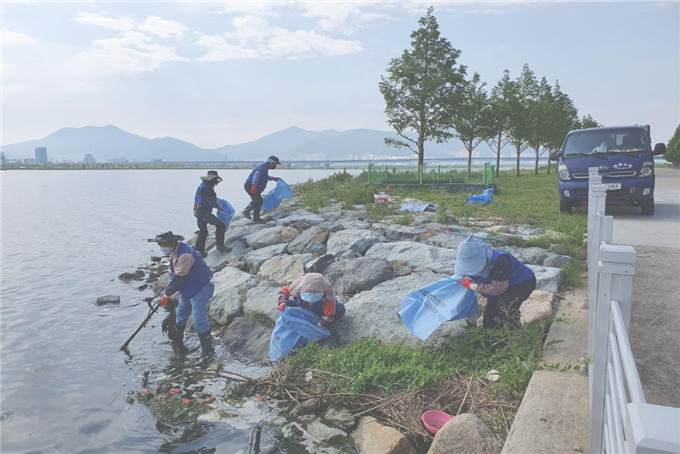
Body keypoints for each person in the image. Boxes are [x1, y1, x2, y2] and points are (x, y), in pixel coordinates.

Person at [148, 231, 215, 355]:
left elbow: (179, 277)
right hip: (187, 288)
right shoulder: (174, 252)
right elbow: (175, 275)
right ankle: (178, 341)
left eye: (163, 244)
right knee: (180, 315)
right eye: (160, 245)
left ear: (172, 242)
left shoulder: (185, 254)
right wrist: (167, 291)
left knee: (199, 320)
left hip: (199, 287)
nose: (162, 247)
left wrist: (167, 295)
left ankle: (208, 351)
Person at [454, 235, 536, 329]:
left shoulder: (500, 260)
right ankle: (492, 338)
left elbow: (498, 289)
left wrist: (472, 286)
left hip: (521, 283)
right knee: (490, 317)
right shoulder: (469, 259)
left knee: (505, 306)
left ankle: (515, 333)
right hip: (496, 283)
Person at [277, 273, 345, 327]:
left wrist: (319, 326)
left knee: (339, 309)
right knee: (286, 305)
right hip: (302, 306)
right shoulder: (297, 286)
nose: (309, 301)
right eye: (307, 296)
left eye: (314, 297)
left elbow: (328, 316)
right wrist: (282, 302)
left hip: (320, 312)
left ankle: (325, 324)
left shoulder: (328, 298)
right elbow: (284, 292)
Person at [194, 170, 231, 257]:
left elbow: (208, 197)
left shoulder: (205, 186)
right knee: (220, 225)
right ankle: (220, 246)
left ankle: (200, 250)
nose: (215, 182)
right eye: (214, 180)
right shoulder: (206, 187)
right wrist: (218, 207)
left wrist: (216, 200)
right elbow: (209, 199)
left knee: (203, 230)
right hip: (203, 211)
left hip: (198, 210)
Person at [242, 156, 281, 223]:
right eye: (275, 164)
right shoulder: (263, 168)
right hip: (250, 186)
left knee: (258, 201)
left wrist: (272, 178)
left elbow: (264, 177)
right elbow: (256, 175)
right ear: (271, 163)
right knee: (258, 200)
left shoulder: (265, 168)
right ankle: (246, 211)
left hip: (252, 186)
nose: (275, 166)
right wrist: (254, 185)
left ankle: (256, 218)